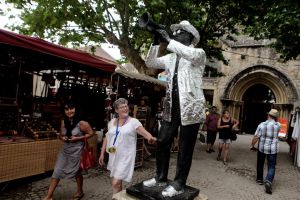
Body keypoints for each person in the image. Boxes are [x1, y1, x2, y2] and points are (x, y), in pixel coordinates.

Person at [142, 20, 206, 197]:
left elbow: (189, 54)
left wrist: (169, 40)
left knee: (185, 148)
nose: (176, 33)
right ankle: (160, 177)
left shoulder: (198, 53)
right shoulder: (171, 57)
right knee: (163, 141)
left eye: (180, 31)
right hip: (172, 107)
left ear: (191, 37)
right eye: (175, 32)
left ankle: (179, 182)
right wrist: (156, 41)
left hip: (190, 109)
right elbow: (151, 63)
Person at [98, 98, 156, 195]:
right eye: (122, 107)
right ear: (116, 110)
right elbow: (107, 137)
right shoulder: (112, 122)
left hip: (125, 157)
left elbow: (144, 133)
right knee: (117, 183)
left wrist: (150, 137)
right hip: (114, 155)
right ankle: (118, 197)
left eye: (126, 106)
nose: (125, 108)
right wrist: (102, 153)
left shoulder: (133, 122)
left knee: (115, 183)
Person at [43, 100, 94, 200]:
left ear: (75, 109)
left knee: (77, 172)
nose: (69, 111)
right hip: (65, 150)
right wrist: (62, 138)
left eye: (71, 108)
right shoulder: (63, 121)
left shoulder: (82, 123)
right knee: (57, 170)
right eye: (66, 109)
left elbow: (91, 133)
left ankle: (80, 192)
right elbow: (61, 135)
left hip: (77, 150)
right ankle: (49, 196)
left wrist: (78, 138)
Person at [250, 109, 281, 194]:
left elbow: (256, 137)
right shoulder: (278, 125)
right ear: (276, 117)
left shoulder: (262, 125)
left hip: (262, 148)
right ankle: (268, 181)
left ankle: (259, 179)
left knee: (260, 163)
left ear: (268, 115)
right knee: (271, 166)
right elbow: (279, 136)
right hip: (273, 149)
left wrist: (252, 145)